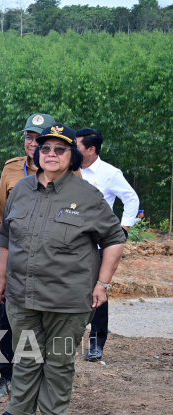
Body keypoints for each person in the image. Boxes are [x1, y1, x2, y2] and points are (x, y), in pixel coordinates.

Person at [0, 123, 125, 415]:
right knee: (27, 354)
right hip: (23, 294)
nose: (50, 154)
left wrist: (102, 283)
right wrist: (0, 280)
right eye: (44, 148)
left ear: (71, 156)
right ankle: (18, 412)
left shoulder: (86, 195)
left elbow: (115, 238)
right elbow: (6, 236)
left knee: (59, 359)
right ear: (36, 152)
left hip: (68, 298)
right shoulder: (20, 189)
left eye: (59, 149)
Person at [0, 113, 54, 403]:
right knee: (6, 319)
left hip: (50, 265)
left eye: (39, 138)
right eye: (28, 137)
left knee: (44, 322)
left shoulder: (69, 172)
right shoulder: (11, 170)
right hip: (14, 260)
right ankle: (7, 377)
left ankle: (39, 380)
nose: (32, 143)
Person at [76, 128, 139, 362]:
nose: (73, 150)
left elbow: (131, 198)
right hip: (71, 242)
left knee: (97, 292)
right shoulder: (70, 170)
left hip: (97, 243)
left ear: (91, 149)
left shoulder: (109, 173)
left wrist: (124, 229)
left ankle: (96, 343)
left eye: (77, 146)